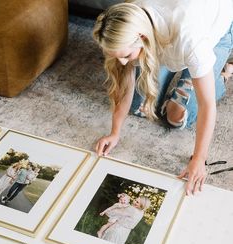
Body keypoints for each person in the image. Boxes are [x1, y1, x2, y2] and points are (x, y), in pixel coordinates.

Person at [93, 0, 233, 195]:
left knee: (176, 116)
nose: (123, 61)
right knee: (140, 105)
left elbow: (207, 105)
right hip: (168, 37)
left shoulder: (190, 38)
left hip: (213, 32)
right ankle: (191, 71)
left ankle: (221, 74)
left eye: (126, 55)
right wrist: (115, 132)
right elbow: (125, 81)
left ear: (141, 37)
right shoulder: (130, 16)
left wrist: (198, 159)